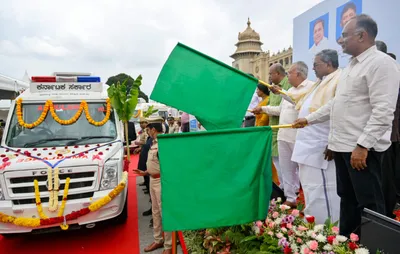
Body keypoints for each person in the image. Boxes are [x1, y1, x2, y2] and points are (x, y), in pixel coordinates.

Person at [293, 15, 400, 237]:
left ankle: (375, 247)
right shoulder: (351, 67)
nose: (340, 41)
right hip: (343, 147)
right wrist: (309, 119)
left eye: (344, 35)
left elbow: (383, 111)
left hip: (361, 151)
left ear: (362, 35)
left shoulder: (381, 64)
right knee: (348, 200)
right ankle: (348, 245)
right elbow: (337, 103)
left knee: (370, 207)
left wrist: (363, 145)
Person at [253, 61, 314, 207]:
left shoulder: (310, 88)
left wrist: (280, 92)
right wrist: (263, 109)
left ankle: (307, 200)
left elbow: (297, 101)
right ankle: (290, 198)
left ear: (298, 74)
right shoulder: (290, 90)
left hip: (297, 136)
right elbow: (280, 110)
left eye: (290, 73)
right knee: (286, 169)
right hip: (283, 134)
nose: (288, 76)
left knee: (301, 170)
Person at [291, 49, 342, 224]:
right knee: (310, 188)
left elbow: (337, 112)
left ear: (329, 64)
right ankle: (313, 226)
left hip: (321, 145)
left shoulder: (339, 80)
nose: (313, 68)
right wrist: (280, 92)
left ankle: (327, 230)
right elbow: (298, 100)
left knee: (324, 190)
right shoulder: (318, 83)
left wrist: (333, 141)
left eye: (316, 64)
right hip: (306, 144)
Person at [134, 117, 172, 254]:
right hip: (152, 180)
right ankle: (158, 240)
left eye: (148, 129)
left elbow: (167, 166)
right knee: (155, 212)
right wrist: (145, 172)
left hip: (161, 182)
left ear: (153, 129)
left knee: (163, 213)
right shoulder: (153, 143)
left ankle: (168, 246)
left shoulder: (163, 144)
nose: (147, 132)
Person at [268, 63, 292, 187]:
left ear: (277, 73)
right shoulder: (272, 88)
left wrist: (263, 110)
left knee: (287, 166)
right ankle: (284, 190)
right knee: (278, 164)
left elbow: (280, 109)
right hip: (274, 130)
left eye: (271, 74)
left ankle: (291, 193)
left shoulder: (288, 86)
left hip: (285, 130)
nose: (269, 77)